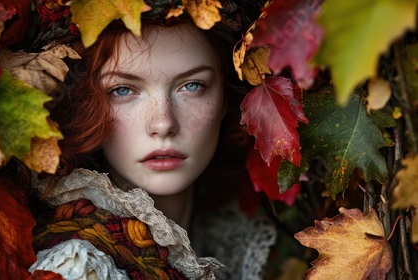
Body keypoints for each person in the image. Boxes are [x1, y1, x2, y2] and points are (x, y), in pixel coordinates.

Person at [24, 9, 276, 280]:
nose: (163, 123)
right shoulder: (80, 267)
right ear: (86, 105)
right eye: (122, 90)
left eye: (192, 86)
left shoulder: (239, 242)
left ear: (227, 98)